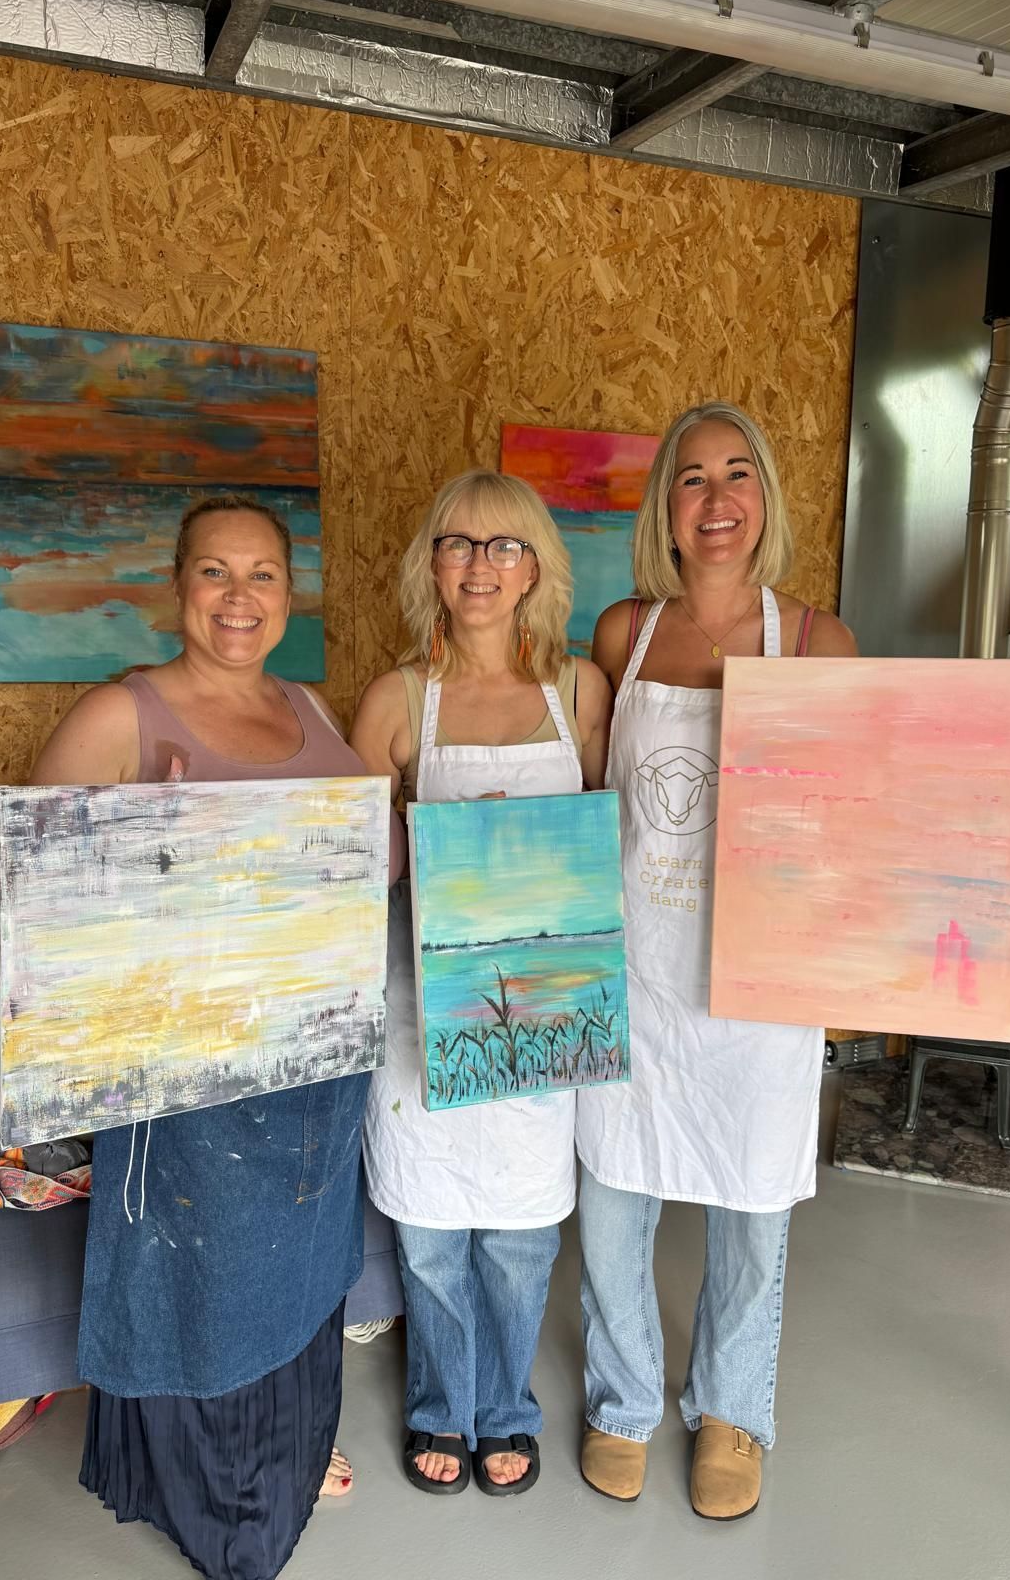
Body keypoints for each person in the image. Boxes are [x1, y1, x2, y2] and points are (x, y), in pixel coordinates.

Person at [30, 493, 399, 1580]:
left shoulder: (312, 708)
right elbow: (41, 897)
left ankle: (286, 1452)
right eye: (213, 573)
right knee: (210, 1287)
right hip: (192, 1091)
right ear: (176, 588)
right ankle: (230, 1507)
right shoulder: (125, 715)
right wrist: (156, 848)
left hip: (316, 1079)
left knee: (300, 1275)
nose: (239, 597)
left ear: (290, 594)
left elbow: (363, 861)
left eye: (263, 575)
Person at [576, 402, 858, 1522]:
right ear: (666, 508)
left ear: (765, 497)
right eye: (691, 478)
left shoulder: (820, 639)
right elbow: (583, 794)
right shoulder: (622, 634)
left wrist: (977, 805)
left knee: (752, 1202)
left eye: (737, 473)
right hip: (634, 966)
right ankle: (623, 1397)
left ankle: (735, 1407)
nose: (717, 497)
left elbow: (863, 803)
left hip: (763, 979)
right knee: (612, 1191)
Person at [350, 470, 612, 1498]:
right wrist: (443, 840)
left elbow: (618, 836)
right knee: (430, 1234)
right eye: (458, 544)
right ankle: (435, 1410)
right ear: (432, 564)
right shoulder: (395, 695)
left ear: (537, 566)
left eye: (504, 546)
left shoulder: (581, 690)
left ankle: (503, 1410)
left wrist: (528, 848)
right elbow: (361, 864)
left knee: (517, 1234)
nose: (480, 565)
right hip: (430, 1006)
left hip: (545, 1008)